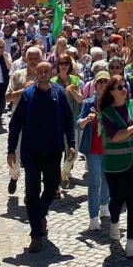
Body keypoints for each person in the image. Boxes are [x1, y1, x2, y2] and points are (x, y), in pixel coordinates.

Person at [7, 61, 75, 253]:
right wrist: (11, 150)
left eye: (46, 71)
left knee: (53, 185)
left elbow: (68, 120)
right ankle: (36, 234)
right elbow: (15, 124)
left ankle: (40, 212)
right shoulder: (27, 96)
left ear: (51, 72)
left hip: (53, 151)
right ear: (36, 73)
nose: (43, 74)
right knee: (31, 192)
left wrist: (71, 143)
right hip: (31, 152)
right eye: (40, 72)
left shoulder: (59, 93)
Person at [99, 75, 133, 258]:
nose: (123, 89)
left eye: (124, 86)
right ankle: (115, 223)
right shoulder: (107, 113)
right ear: (111, 92)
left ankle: (131, 241)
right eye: (119, 87)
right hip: (115, 165)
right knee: (117, 200)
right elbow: (116, 136)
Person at [4, 46, 42, 195]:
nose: (33, 61)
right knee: (14, 156)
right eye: (30, 58)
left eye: (36, 58)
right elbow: (7, 97)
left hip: (37, 125)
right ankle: (14, 177)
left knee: (33, 161)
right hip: (18, 123)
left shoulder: (44, 76)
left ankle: (30, 192)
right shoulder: (17, 75)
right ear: (25, 58)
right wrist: (23, 90)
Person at [77, 71, 111, 231]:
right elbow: (79, 123)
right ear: (95, 85)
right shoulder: (88, 103)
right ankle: (93, 216)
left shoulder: (113, 102)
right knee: (94, 182)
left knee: (107, 180)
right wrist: (85, 120)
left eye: (105, 82)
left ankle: (105, 205)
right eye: (100, 82)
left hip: (110, 149)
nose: (103, 85)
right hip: (92, 149)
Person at [51, 53, 84, 190]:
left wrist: (73, 92)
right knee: (58, 151)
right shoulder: (52, 81)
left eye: (66, 63)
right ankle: (56, 183)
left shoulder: (75, 80)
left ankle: (63, 173)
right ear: (57, 65)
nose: (64, 66)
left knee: (73, 152)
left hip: (74, 119)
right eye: (61, 63)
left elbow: (80, 100)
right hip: (58, 121)